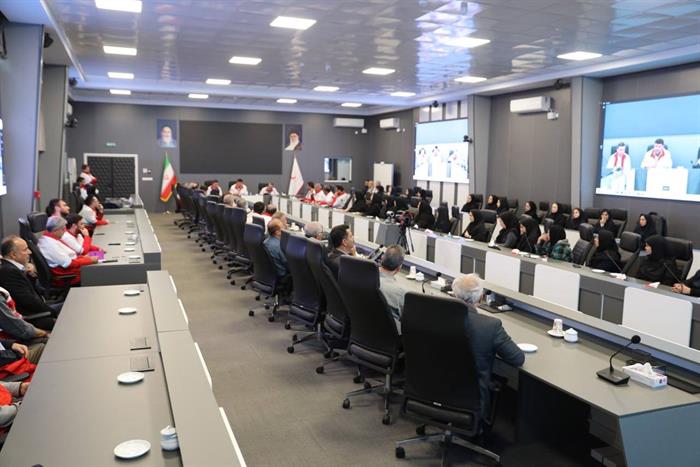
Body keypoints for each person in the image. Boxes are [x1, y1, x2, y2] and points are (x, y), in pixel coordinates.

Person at [451, 274, 525, 420]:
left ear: (454, 295)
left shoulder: (437, 315)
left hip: (433, 389)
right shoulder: (490, 326)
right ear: (480, 298)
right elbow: (517, 358)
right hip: (472, 399)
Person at [0, 236, 61, 318]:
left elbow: (30, 291)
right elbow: (28, 302)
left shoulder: (12, 267)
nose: (30, 252)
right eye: (25, 249)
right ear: (14, 255)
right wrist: (53, 312)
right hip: (35, 316)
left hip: (40, 307)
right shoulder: (9, 271)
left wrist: (30, 275)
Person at [37, 216, 97, 285]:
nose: (65, 231)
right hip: (69, 275)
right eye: (63, 229)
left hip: (73, 267)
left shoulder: (51, 239)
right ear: (55, 230)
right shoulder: (49, 244)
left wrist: (83, 258)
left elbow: (70, 256)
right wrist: (89, 260)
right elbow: (68, 263)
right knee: (97, 271)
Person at [378, 245, 407, 329]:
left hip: (362, 330)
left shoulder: (364, 278)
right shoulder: (400, 293)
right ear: (399, 268)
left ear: (382, 258)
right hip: (388, 334)